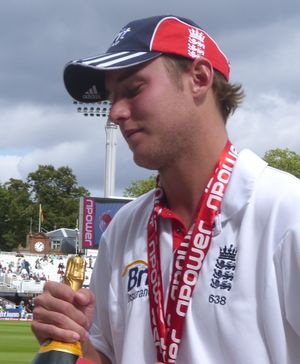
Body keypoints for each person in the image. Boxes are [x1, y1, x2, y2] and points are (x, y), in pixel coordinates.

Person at [31, 15, 300, 364]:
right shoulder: (123, 230)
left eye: (133, 89)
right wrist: (75, 339)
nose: (114, 113)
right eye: (111, 97)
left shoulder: (286, 212)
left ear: (199, 79)